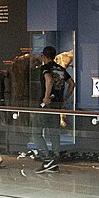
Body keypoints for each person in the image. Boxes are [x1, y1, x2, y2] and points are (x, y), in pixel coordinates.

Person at [35, 46, 75, 174]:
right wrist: (64, 99)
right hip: (57, 105)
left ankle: (47, 159)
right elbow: (72, 84)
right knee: (54, 133)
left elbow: (49, 80)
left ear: (44, 57)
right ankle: (55, 162)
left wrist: (46, 97)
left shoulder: (45, 68)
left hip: (46, 106)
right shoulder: (61, 69)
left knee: (36, 132)